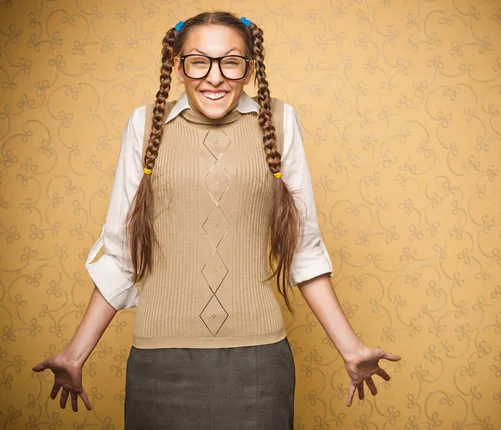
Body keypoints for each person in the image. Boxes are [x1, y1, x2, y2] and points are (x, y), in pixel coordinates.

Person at [32, 11, 401, 429]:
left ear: (249, 68)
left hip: (259, 362)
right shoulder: (144, 125)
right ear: (177, 65)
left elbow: (304, 250)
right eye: (198, 61)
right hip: (159, 363)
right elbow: (121, 253)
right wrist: (74, 354)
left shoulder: (279, 122)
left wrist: (351, 349)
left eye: (230, 61)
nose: (214, 77)